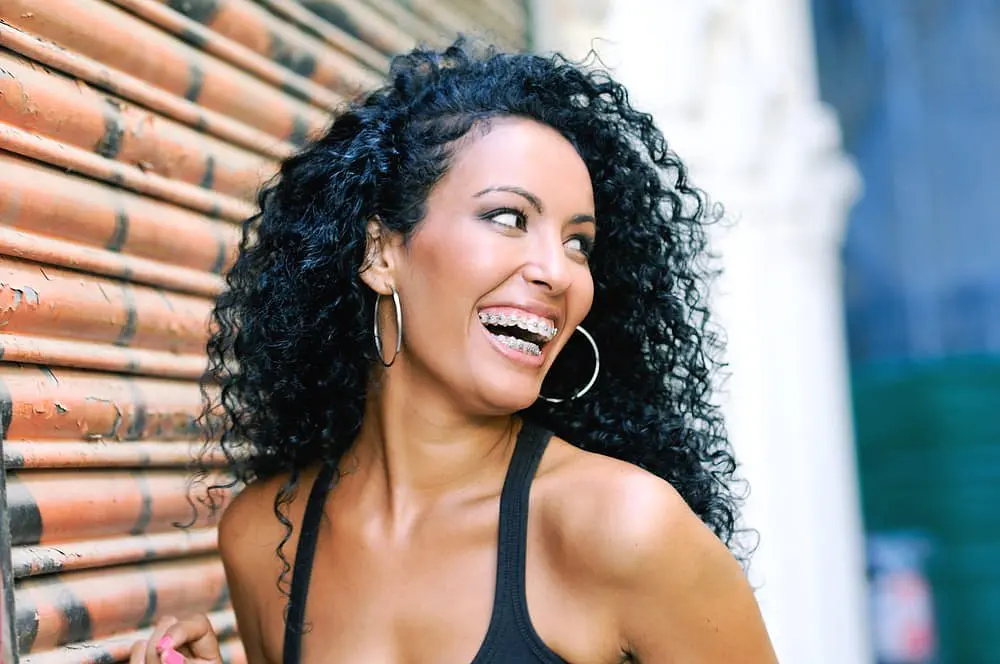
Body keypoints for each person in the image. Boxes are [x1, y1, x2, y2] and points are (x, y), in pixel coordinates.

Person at [132, 39, 777, 664]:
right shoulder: (265, 538)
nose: (558, 271)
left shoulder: (622, 527)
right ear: (380, 253)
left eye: (578, 242)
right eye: (509, 218)